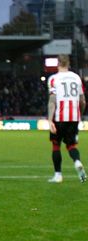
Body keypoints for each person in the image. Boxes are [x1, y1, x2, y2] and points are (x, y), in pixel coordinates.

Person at [46, 54, 87, 183]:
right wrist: (80, 114)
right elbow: (83, 101)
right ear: (69, 64)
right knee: (71, 145)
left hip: (60, 117)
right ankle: (77, 162)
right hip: (74, 117)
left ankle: (58, 175)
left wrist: (50, 119)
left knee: (56, 145)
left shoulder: (53, 79)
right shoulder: (76, 78)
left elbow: (52, 101)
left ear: (58, 63)